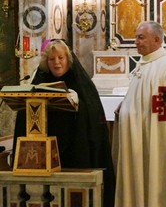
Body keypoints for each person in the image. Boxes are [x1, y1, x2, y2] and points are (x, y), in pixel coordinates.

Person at [13, 39, 115, 207]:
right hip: (44, 153)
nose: (57, 63)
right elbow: (25, 113)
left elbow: (94, 114)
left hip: (76, 149)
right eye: (52, 59)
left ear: (68, 59)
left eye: (61, 58)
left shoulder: (82, 84)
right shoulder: (40, 80)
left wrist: (79, 104)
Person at [113, 21, 166, 207]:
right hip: (140, 138)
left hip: (157, 142)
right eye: (136, 37)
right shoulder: (144, 64)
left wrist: (159, 145)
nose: (135, 41)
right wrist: (125, 107)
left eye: (141, 37)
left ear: (156, 39)